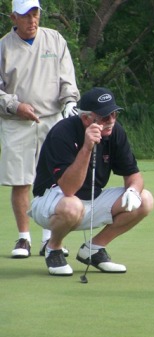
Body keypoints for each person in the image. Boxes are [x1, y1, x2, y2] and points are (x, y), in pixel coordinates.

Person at [28, 87, 154, 276]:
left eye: (114, 114)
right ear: (86, 118)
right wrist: (87, 148)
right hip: (51, 203)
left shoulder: (115, 132)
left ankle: (93, 249)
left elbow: (134, 175)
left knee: (145, 199)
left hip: (90, 200)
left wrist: (133, 191)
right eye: (104, 117)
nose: (111, 120)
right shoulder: (62, 132)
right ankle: (53, 248)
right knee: (72, 206)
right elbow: (69, 188)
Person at [0, 0, 80, 258]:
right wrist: (15, 106)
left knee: (54, 180)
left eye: (35, 14)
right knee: (21, 181)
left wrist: (70, 103)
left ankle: (49, 238)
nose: (32, 20)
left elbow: (67, 78)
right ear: (14, 17)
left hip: (53, 120)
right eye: (25, 16)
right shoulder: (3, 46)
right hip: (16, 121)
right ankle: (24, 238)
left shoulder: (55, 39)